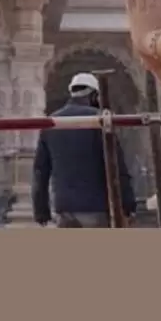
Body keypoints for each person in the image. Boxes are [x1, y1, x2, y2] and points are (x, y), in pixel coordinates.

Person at [32, 72, 136, 228]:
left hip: (64, 207)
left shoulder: (52, 123)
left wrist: (40, 210)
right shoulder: (99, 121)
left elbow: (40, 171)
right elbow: (117, 166)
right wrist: (128, 205)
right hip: (97, 207)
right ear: (94, 95)